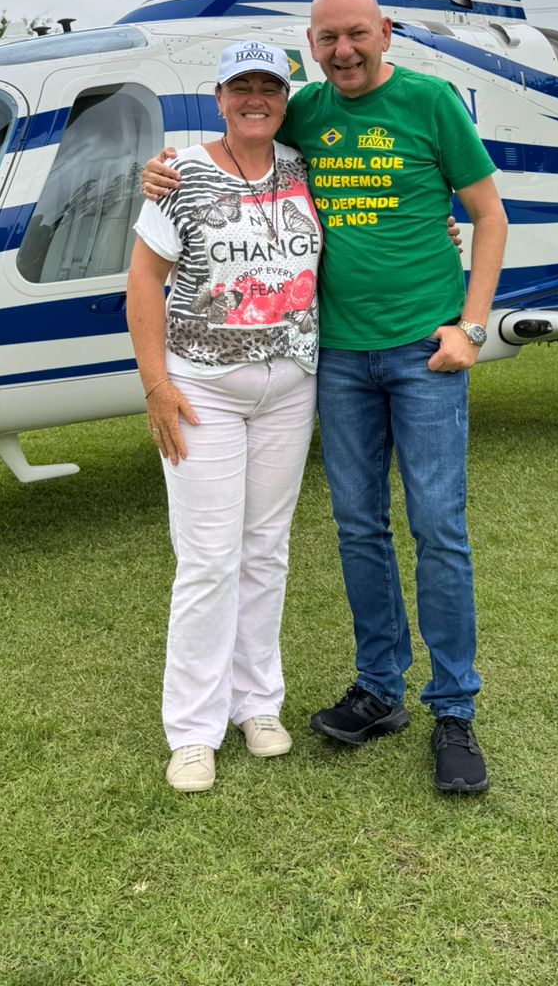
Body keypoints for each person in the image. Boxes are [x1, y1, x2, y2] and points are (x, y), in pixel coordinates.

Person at [144, 0, 508, 794]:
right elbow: (239, 140)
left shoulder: (431, 102)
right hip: (335, 357)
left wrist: (473, 327)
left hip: (425, 351)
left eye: (357, 35)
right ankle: (380, 688)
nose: (344, 51)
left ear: (385, 33)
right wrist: (161, 172)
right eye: (328, 39)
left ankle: (453, 707)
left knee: (438, 527)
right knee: (358, 528)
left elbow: (487, 215)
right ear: (311, 46)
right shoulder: (301, 110)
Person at [127, 41, 321, 792]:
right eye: (242, 86)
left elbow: (377, 212)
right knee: (208, 558)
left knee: (265, 550)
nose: (256, 98)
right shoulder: (179, 172)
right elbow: (143, 282)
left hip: (290, 385)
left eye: (269, 86)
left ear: (284, 99)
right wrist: (155, 384)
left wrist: (440, 231)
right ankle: (193, 729)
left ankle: (257, 703)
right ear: (219, 98)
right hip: (201, 388)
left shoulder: (304, 168)